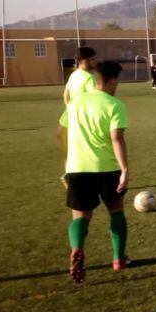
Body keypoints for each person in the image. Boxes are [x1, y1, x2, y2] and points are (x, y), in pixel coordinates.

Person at [56, 61, 131, 284]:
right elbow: (117, 138)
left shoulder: (75, 102)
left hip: (77, 168)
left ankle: (77, 248)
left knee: (81, 216)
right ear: (113, 80)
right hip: (108, 168)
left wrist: (67, 160)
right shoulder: (115, 104)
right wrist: (125, 169)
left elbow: (60, 133)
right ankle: (119, 259)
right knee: (116, 211)